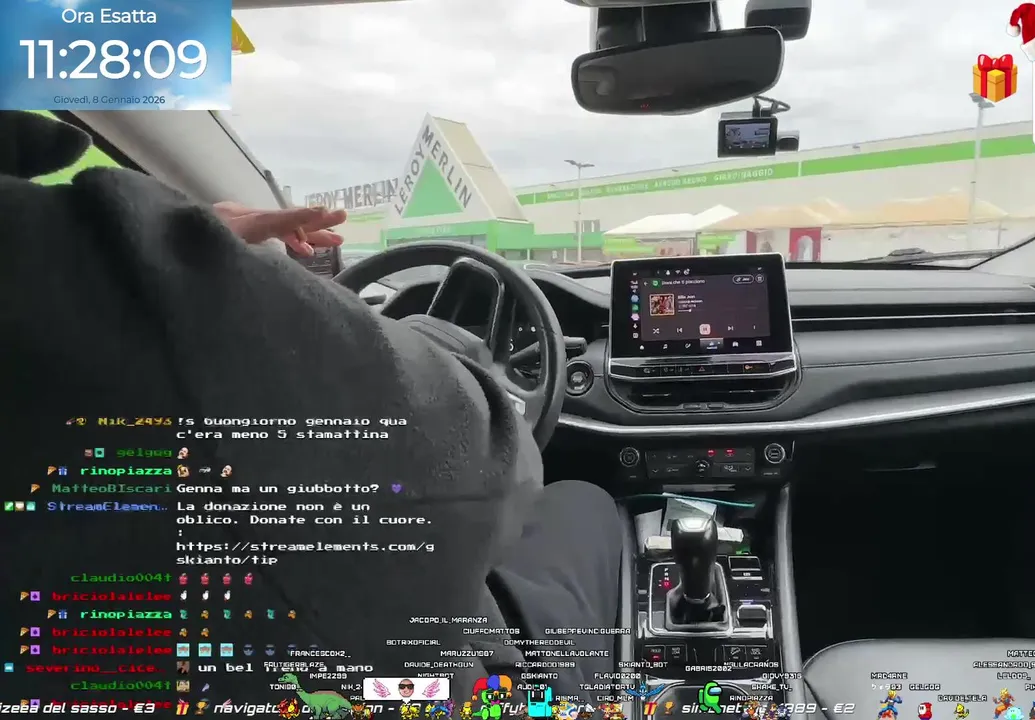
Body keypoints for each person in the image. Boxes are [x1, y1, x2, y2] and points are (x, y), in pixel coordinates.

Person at [0, 112, 621, 704]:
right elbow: (489, 464)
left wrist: (198, 246)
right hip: (401, 694)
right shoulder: (108, 276)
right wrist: (447, 346)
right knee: (585, 504)